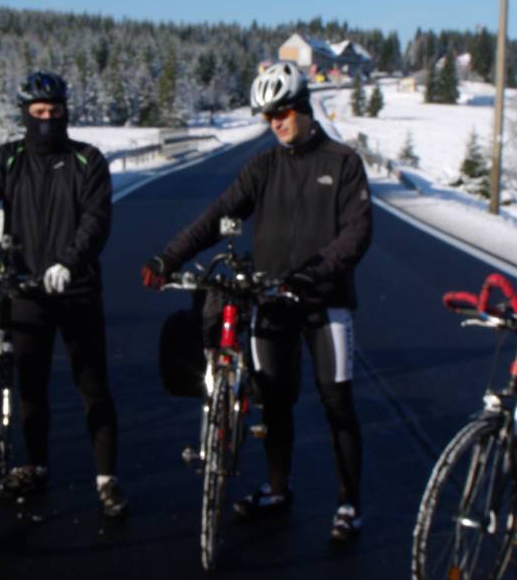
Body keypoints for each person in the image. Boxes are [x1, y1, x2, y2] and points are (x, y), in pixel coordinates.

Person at [141, 61, 372, 542]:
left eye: (282, 112)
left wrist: (315, 271)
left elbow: (357, 233)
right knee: (275, 402)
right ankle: (277, 489)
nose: (275, 123)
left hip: (324, 301)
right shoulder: (264, 167)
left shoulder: (343, 163)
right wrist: (169, 256)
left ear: (303, 106)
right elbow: (217, 215)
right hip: (270, 298)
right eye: (268, 116)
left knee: (337, 403)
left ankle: (348, 503)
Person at [0, 71, 127, 517]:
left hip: (76, 288)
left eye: (54, 112)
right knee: (31, 385)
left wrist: (69, 262)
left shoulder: (87, 160)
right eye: (38, 112)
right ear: (25, 114)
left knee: (92, 384)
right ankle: (36, 465)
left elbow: (96, 221)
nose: (47, 120)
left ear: (66, 112)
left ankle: (106, 477)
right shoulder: (8, 159)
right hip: (25, 287)